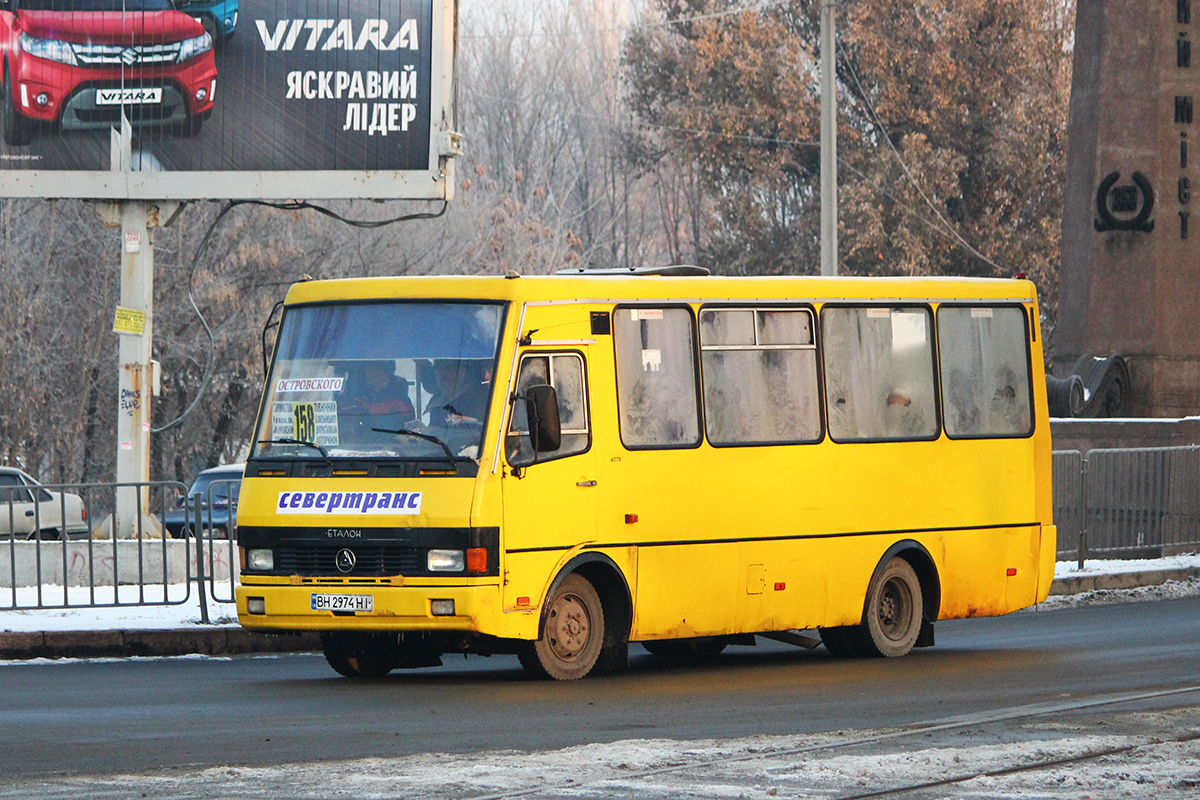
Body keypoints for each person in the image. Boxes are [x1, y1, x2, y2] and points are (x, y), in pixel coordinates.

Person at [341, 361, 414, 419]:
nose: (367, 374)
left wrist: (366, 406)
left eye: (371, 370)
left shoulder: (399, 395)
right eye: (366, 371)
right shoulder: (363, 392)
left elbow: (406, 416)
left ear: (382, 372)